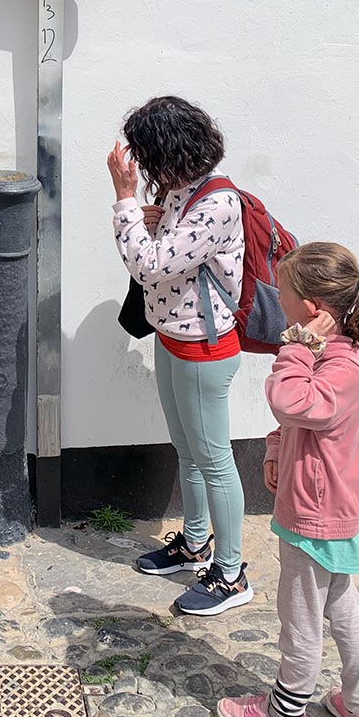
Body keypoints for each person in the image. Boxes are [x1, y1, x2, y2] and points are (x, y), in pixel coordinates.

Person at [217, 242, 359, 717]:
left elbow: (292, 398)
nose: (276, 297)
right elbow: (304, 420)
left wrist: (293, 346)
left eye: (283, 291)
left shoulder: (337, 365)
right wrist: (274, 446)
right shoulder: (343, 357)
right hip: (333, 506)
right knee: (342, 609)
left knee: (300, 616)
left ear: (312, 310)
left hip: (313, 512)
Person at [107, 95, 251, 616]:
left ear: (170, 151)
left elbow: (149, 268)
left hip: (203, 349)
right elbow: (165, 255)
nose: (142, 169)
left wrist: (124, 202)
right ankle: (194, 544)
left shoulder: (216, 203)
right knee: (189, 453)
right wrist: (148, 217)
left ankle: (232, 574)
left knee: (215, 460)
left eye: (147, 157)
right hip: (173, 339)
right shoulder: (179, 193)